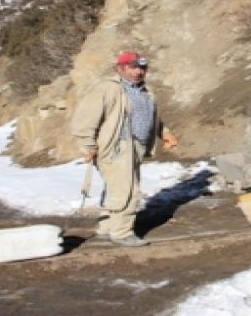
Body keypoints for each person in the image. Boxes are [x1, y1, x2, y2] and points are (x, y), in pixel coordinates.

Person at [71, 51, 178, 246]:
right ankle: (122, 233)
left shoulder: (144, 90)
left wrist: (165, 133)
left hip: (136, 146)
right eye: (133, 67)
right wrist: (87, 145)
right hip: (116, 146)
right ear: (120, 68)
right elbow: (85, 118)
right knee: (127, 189)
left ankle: (107, 227)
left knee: (116, 188)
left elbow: (152, 117)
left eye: (142, 68)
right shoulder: (108, 89)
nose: (138, 72)